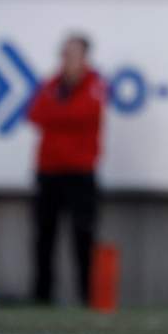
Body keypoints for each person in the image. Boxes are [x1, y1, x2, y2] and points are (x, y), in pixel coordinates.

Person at [27, 34, 106, 305]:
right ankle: (42, 296)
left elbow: (84, 114)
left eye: (74, 54)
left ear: (84, 58)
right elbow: (35, 114)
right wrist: (60, 111)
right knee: (44, 236)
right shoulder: (51, 84)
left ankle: (87, 296)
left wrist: (57, 112)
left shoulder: (94, 84)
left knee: (83, 235)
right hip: (49, 170)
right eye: (65, 54)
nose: (68, 60)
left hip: (80, 172)